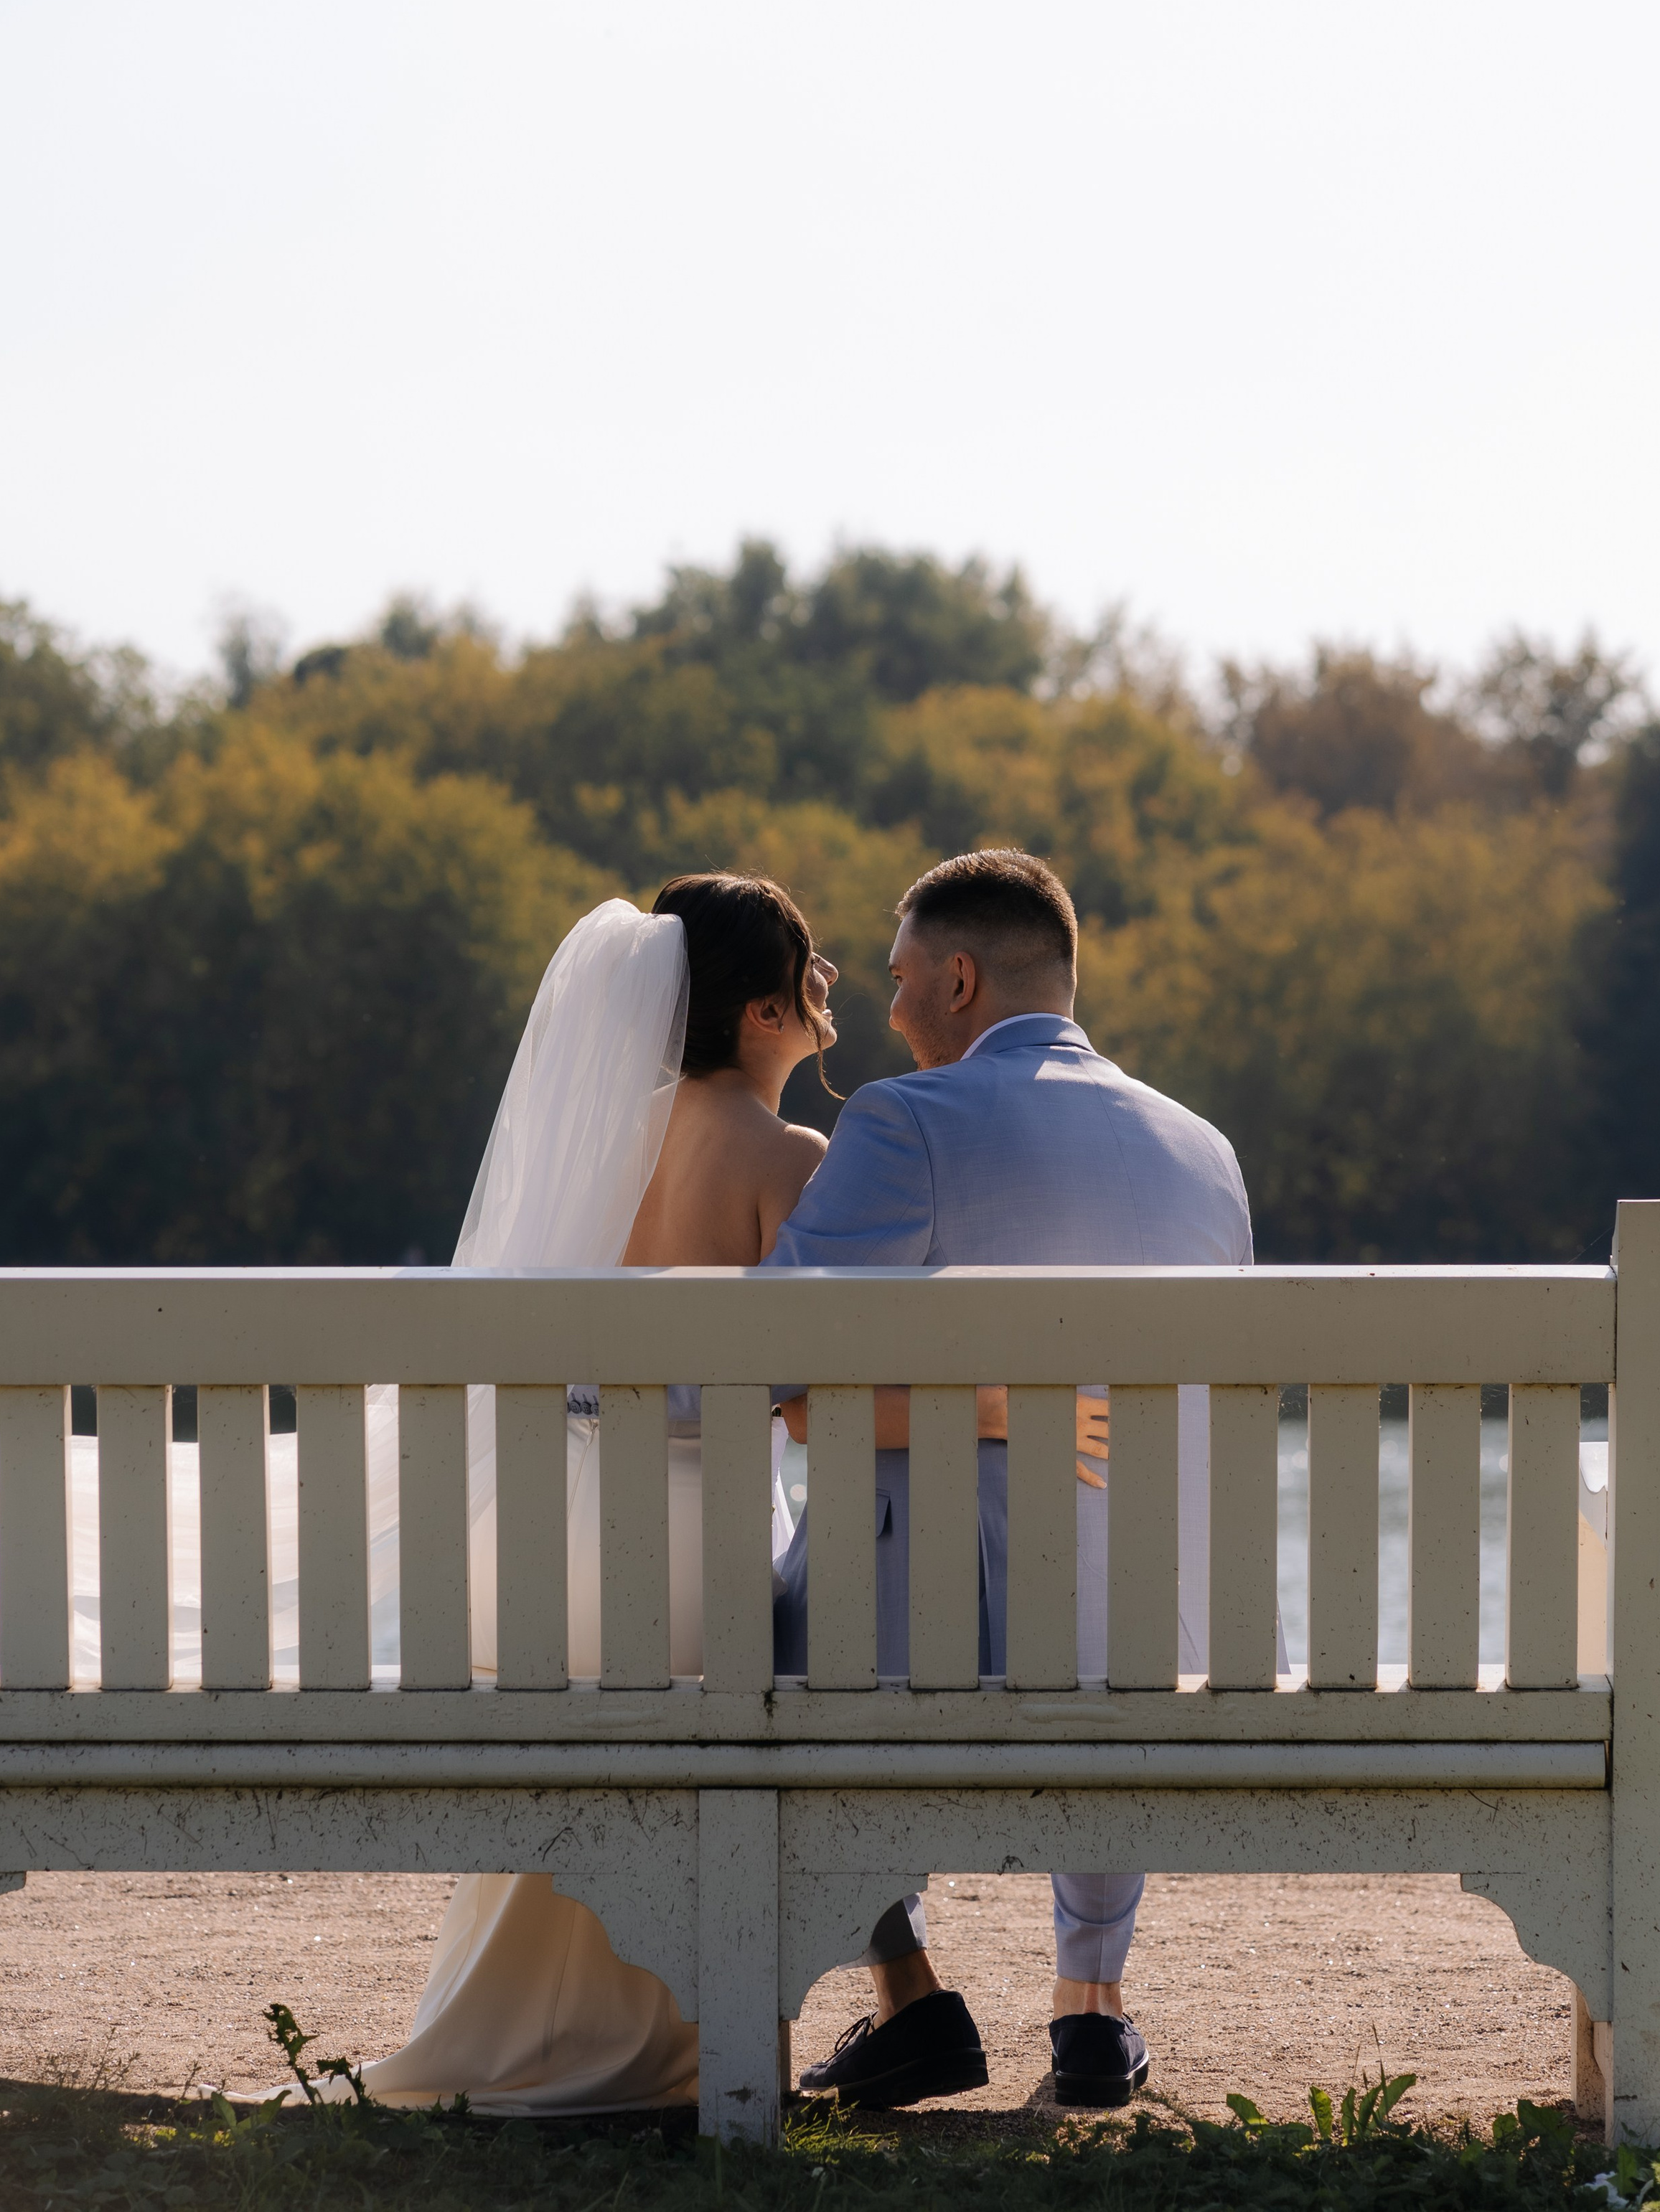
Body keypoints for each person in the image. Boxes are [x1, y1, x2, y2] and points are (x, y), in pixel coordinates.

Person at [331, 875, 838, 2114]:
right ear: (763, 1013)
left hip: (560, 1521)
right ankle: (673, 2049)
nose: (829, 988)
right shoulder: (792, 1157)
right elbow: (815, 1404)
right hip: (693, 1528)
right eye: (811, 970)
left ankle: (531, 2034)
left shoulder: (600, 1139)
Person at [767, 848, 1252, 2116]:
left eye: (901, 978)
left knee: (767, 1610)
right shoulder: (1204, 1153)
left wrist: (904, 1403)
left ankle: (907, 1991)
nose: (889, 1009)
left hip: (956, 1644)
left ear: (961, 977)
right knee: (1104, 1556)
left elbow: (747, 1360)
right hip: (1176, 1635)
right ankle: (1090, 2015)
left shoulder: (905, 1120)